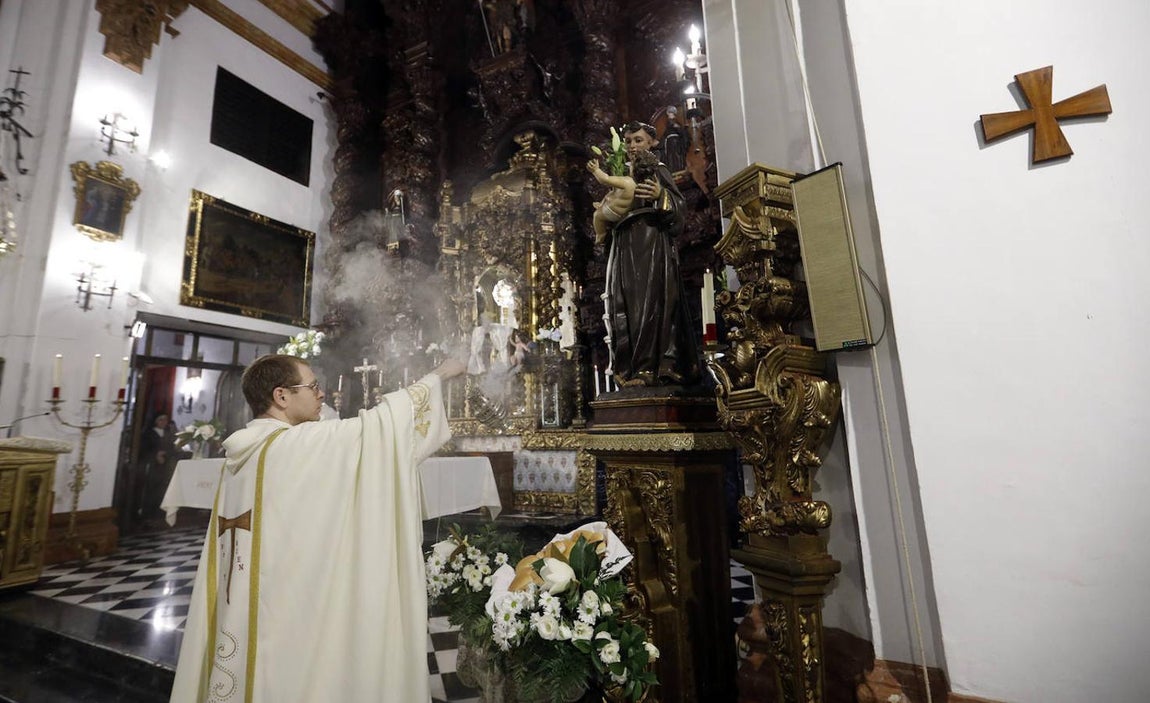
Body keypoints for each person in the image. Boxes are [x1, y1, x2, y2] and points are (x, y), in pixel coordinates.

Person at [170, 353, 466, 702]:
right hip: (287, 618)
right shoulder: (289, 446)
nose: (321, 394)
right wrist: (439, 375)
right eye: (312, 387)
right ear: (281, 396)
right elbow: (382, 429)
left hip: (253, 604)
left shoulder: (242, 454)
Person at [601, 121, 700, 387]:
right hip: (625, 247)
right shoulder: (622, 176)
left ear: (652, 143)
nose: (633, 146)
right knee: (627, 306)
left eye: (639, 140)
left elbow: (679, 210)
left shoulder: (657, 170)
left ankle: (654, 367)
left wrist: (660, 195)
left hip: (651, 243)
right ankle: (632, 369)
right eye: (629, 141)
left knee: (650, 303)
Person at [587, 149, 660, 244]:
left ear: (633, 168)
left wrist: (595, 170)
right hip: (624, 211)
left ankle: (600, 235)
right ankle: (602, 204)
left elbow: (605, 179)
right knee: (611, 194)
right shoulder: (643, 184)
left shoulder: (627, 182)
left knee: (597, 216)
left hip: (614, 212)